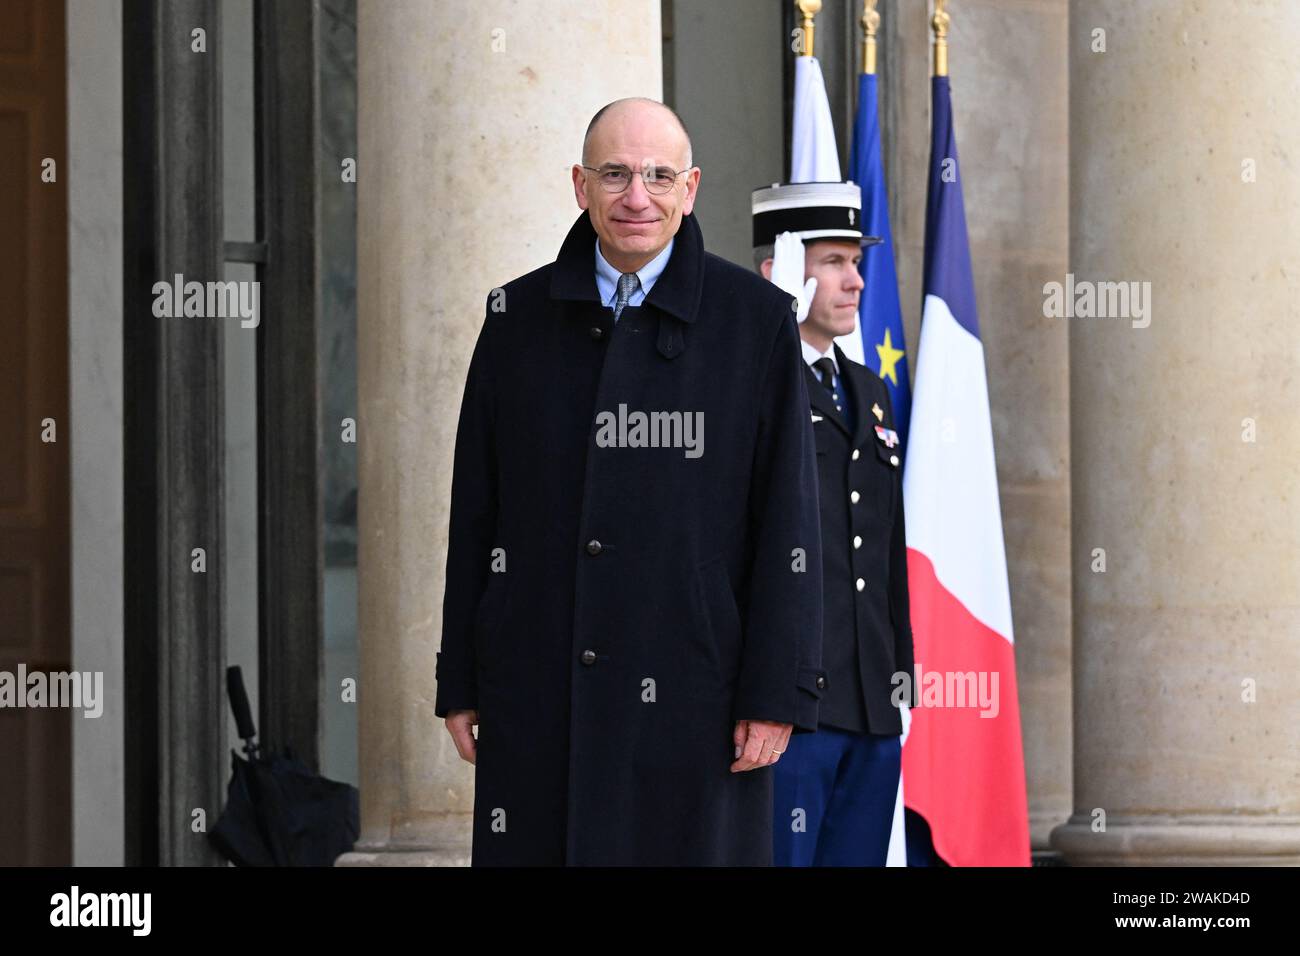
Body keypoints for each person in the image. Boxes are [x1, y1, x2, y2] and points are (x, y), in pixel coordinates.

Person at [434, 98, 826, 865]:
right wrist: (462, 675)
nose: (636, 196)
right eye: (614, 174)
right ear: (580, 185)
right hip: (538, 684)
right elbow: (475, 510)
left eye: (657, 175)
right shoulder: (516, 316)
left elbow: (789, 522)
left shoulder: (756, 322)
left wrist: (778, 693)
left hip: (697, 694)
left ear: (691, 187)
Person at [753, 181, 915, 866]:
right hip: (792, 705)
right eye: (833, 262)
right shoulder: (756, 379)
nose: (855, 282)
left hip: (871, 703)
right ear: (783, 271)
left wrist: (901, 676)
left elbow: (884, 551)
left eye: (856, 262)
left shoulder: (868, 390)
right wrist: (773, 324)